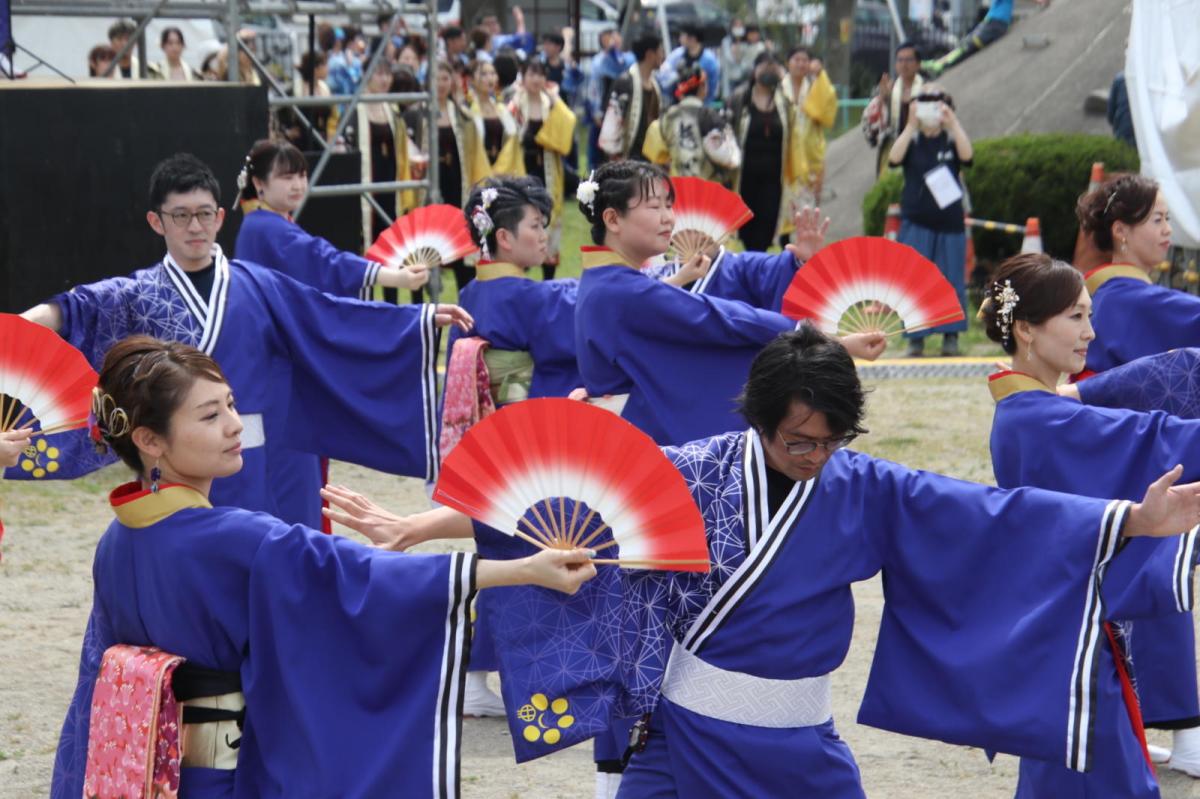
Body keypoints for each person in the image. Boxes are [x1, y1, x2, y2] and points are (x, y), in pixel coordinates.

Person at [328, 326, 1200, 799]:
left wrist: (1130, 517)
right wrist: (418, 524)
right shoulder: (694, 468)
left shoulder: (863, 487)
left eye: (828, 440)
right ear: (758, 419)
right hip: (683, 733)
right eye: (795, 439)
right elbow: (559, 497)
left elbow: (991, 515)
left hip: (798, 747)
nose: (812, 453)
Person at [49, 335, 595, 799]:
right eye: (211, 415)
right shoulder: (240, 538)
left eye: (232, 405)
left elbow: (94, 678)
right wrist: (526, 569)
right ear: (149, 441)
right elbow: (370, 579)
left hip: (146, 770)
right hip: (223, 772)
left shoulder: (116, 539)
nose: (236, 425)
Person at [11, 153, 471, 530]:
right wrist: (15, 331)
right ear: (157, 221)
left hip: (275, 448)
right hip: (185, 452)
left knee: (286, 558)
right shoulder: (138, 293)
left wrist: (420, 319)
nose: (195, 227)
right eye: (181, 216)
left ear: (220, 216)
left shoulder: (260, 284)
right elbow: (75, 309)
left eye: (204, 214)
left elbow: (330, 316)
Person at [982, 253, 1200, 792]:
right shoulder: (1041, 420)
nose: (1091, 333)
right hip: (1072, 644)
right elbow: (1153, 437)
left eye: (1090, 315)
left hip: (1068, 635)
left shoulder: (1034, 410)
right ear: (1027, 328)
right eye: (1076, 318)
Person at [572, 160, 884, 446]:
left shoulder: (604, 281)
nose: (669, 218)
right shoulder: (623, 290)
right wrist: (827, 343)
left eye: (670, 205)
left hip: (624, 431)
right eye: (655, 207)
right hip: (637, 435)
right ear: (612, 218)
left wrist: (797, 264)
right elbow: (722, 320)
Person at [234, 139, 428, 301]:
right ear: (259, 182)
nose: (298, 185)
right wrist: (393, 277)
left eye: (302, 176)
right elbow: (324, 261)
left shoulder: (260, 221)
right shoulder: (266, 226)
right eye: (287, 177)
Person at [887, 84, 972, 357]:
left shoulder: (950, 140)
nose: (930, 106)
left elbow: (968, 157)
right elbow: (893, 158)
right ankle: (916, 339)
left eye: (936, 101)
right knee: (915, 280)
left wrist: (953, 123)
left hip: (949, 222)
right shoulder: (911, 141)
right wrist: (911, 125)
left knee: (951, 280)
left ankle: (951, 337)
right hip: (916, 221)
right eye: (923, 100)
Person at [1076, 174, 1181, 377]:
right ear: (1120, 230)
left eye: (1167, 219)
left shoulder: (1106, 291)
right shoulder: (1133, 297)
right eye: (1157, 220)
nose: (1167, 230)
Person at [400, 60, 488, 297]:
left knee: (462, 255)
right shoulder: (414, 116)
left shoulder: (463, 117)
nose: (440, 84)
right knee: (423, 254)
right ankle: (420, 309)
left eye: (445, 79)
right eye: (435, 78)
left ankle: (468, 307)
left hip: (456, 190)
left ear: (452, 82)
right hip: (426, 194)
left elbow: (475, 159)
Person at [728, 52, 805, 252]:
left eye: (774, 67)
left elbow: (795, 139)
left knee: (767, 227)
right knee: (745, 231)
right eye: (765, 66)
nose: (769, 72)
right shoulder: (739, 100)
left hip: (774, 181)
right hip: (744, 180)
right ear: (754, 71)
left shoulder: (785, 104)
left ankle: (758, 269)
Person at [510, 60, 577, 276]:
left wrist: (556, 98)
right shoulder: (515, 105)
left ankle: (548, 278)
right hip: (523, 171)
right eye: (532, 74)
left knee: (549, 221)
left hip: (548, 172)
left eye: (540, 74)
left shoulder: (552, 105)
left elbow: (568, 124)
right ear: (524, 76)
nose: (536, 79)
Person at [642, 65, 741, 184]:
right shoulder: (713, 118)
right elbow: (731, 159)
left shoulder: (665, 119)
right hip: (708, 192)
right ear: (703, 87)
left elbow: (655, 155)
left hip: (678, 191)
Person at [923, 0, 1049, 76]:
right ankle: (940, 64)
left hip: (994, 23)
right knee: (966, 45)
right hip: (993, 22)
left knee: (967, 46)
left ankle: (940, 65)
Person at [597, 32, 664, 164]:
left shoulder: (655, 85)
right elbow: (612, 122)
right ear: (650, 54)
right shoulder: (625, 83)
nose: (663, 56)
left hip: (649, 159)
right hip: (627, 160)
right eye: (660, 51)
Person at [862, 41, 924, 179]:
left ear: (918, 64)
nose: (904, 64)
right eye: (900, 60)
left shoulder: (927, 90)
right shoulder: (889, 90)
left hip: (922, 152)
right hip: (893, 153)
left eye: (909, 59)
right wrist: (883, 101)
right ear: (896, 65)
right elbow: (871, 133)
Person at [586, 29, 635, 168]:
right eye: (607, 38)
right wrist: (596, 112)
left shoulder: (629, 58)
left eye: (614, 36)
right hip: (604, 110)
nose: (612, 41)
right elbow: (593, 88)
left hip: (625, 111)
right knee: (599, 150)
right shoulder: (599, 61)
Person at [660, 24, 720, 105]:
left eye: (682, 35)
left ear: (692, 38)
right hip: (678, 105)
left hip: (701, 106)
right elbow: (664, 76)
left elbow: (712, 88)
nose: (680, 38)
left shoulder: (710, 61)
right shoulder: (676, 55)